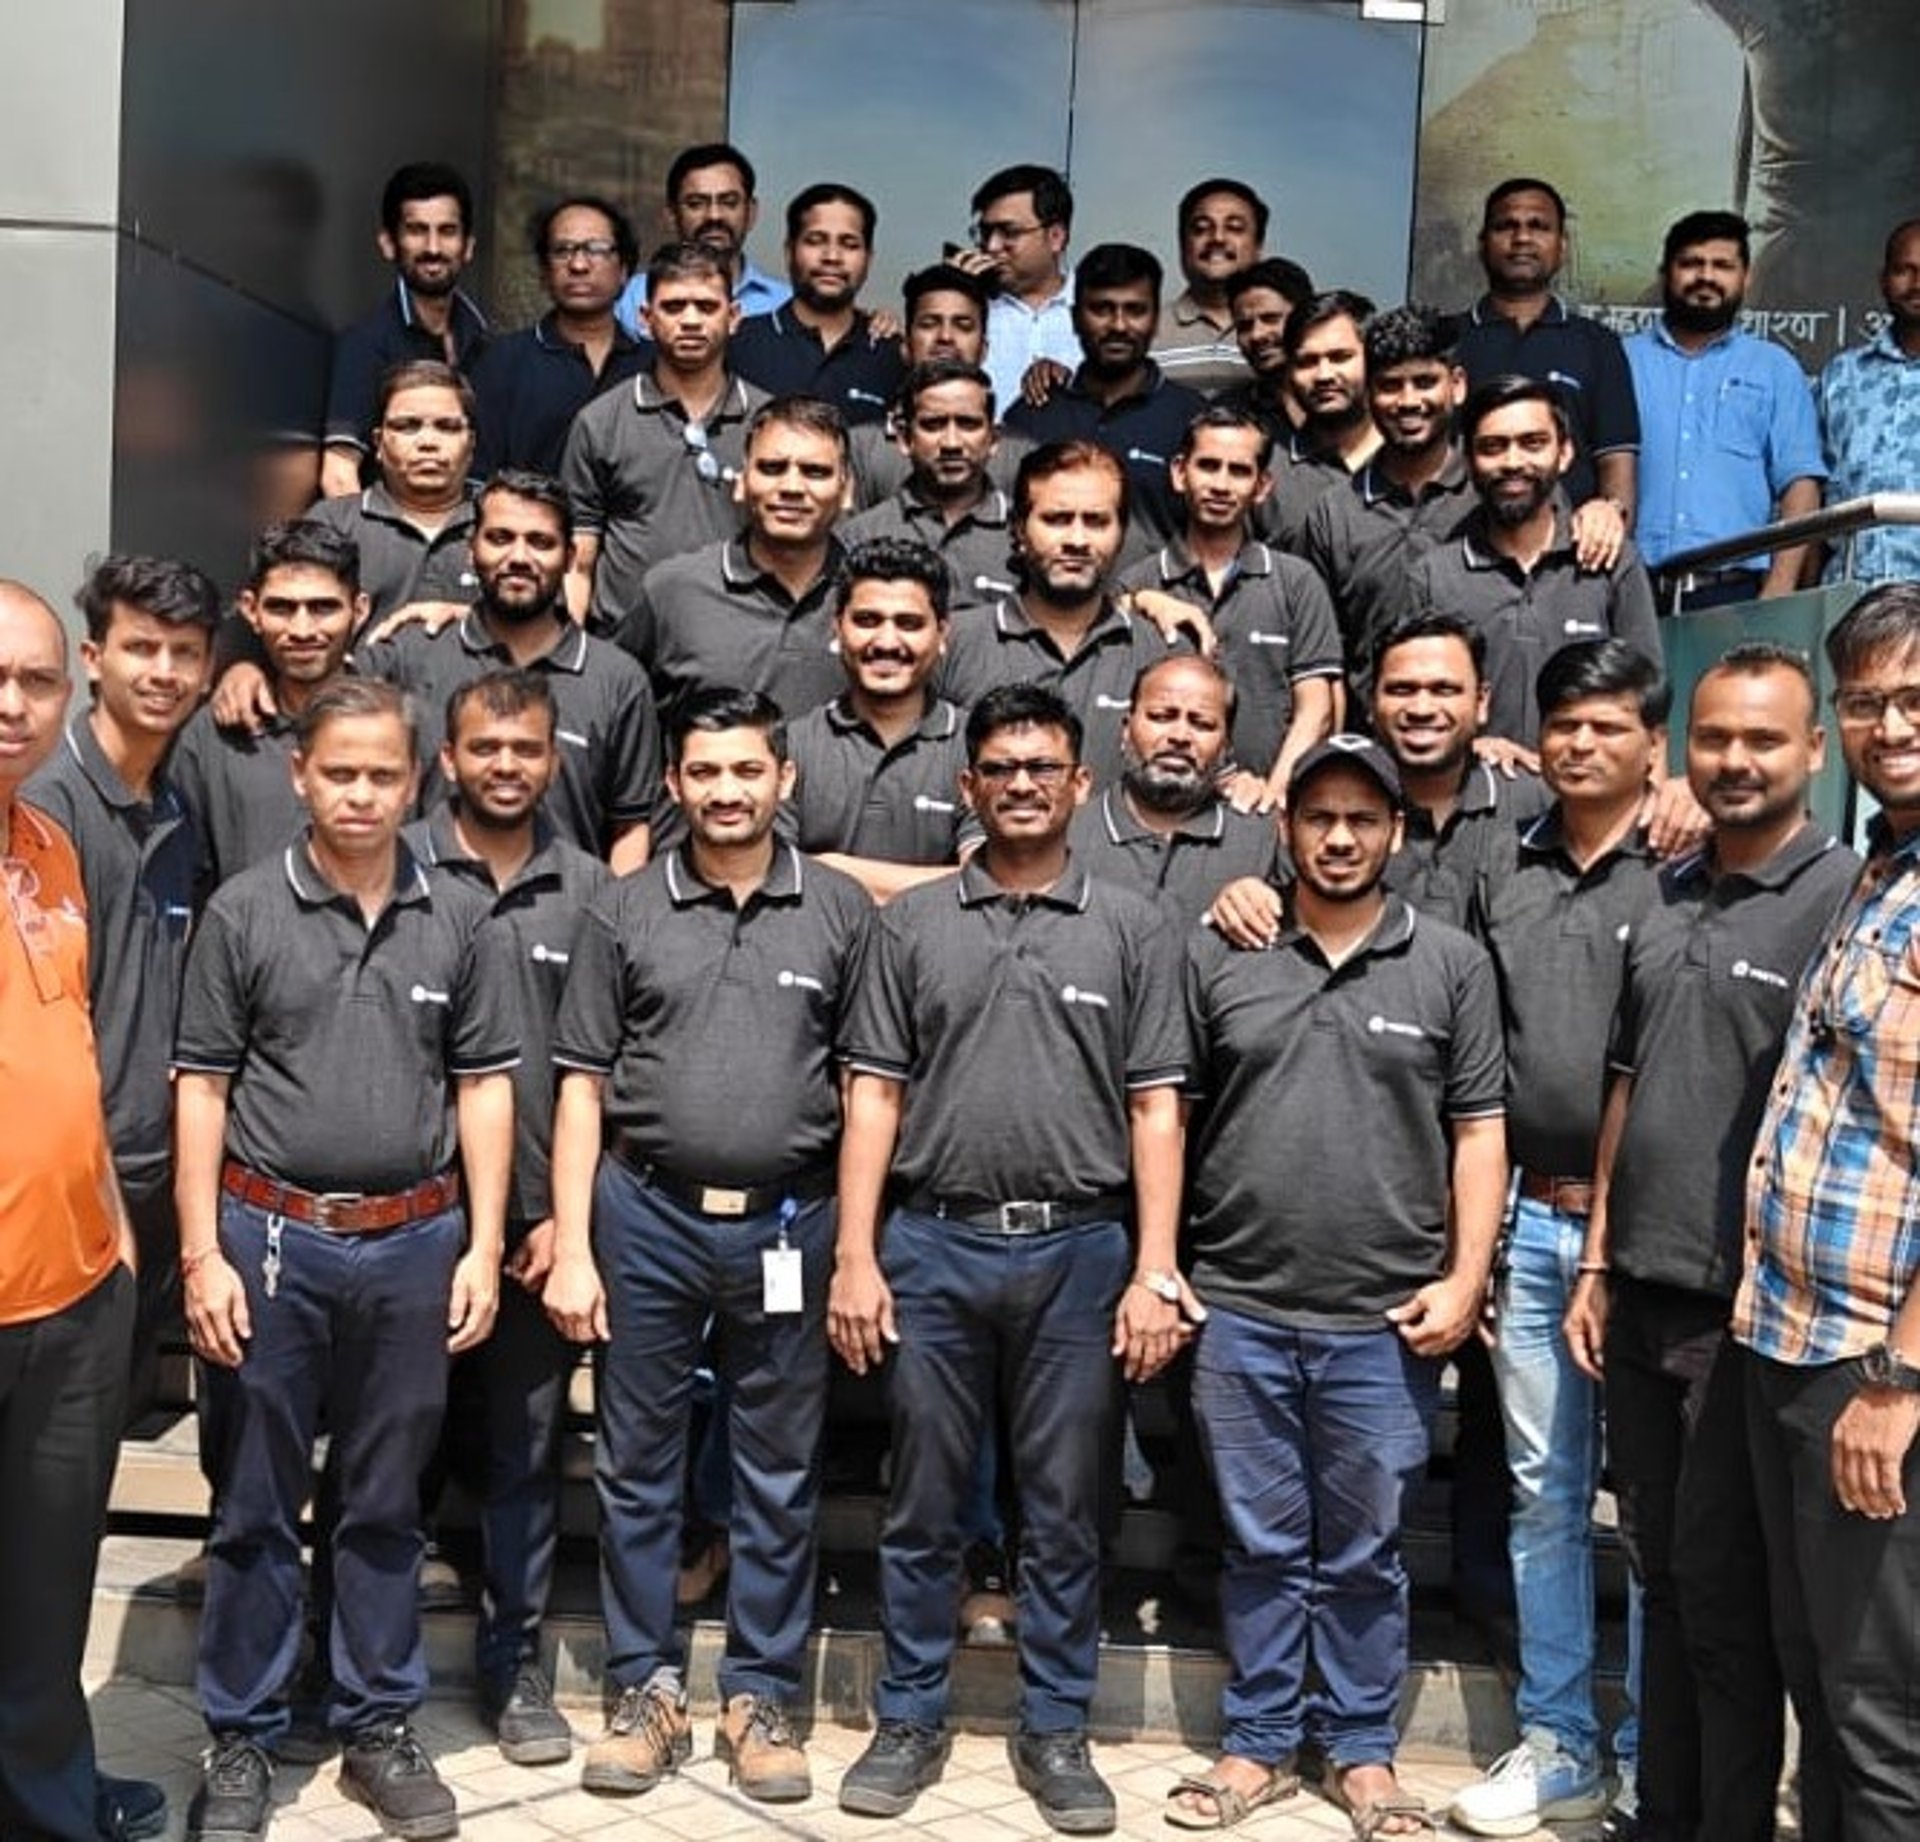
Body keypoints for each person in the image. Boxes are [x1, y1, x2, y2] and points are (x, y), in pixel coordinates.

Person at [830, 682, 1192, 1834]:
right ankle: (910, 1714)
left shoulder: (1133, 926)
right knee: (924, 1499)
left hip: (1082, 1251)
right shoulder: (915, 924)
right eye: (1002, 767)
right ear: (968, 785)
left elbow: (1158, 1109)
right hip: (932, 1242)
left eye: (1044, 766)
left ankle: (1056, 1725)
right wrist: (854, 1253)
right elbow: (872, 1094)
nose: (1023, 783)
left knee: (1065, 1505)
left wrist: (1156, 1268)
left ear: (1081, 783)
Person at [173, 677, 516, 1842]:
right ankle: (243, 1735)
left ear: (416, 782)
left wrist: (481, 1241)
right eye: (341, 772)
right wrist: (197, 1255)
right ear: (300, 777)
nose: (362, 793)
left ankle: (376, 1723)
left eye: (384, 774)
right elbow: (202, 1090)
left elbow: (484, 1087)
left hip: (413, 1243)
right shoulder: (242, 911)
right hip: (267, 1244)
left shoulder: (459, 915)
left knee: (380, 1504)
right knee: (255, 1503)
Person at [1173, 733, 1506, 1838]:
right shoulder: (1227, 950)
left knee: (1364, 1551)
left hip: (1385, 1320)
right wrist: (1165, 1266)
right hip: (1245, 1308)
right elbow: (1168, 1114)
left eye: (1366, 817)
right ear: (1286, 828)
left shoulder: (1449, 961)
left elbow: (1477, 1130)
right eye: (1320, 815)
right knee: (1263, 1544)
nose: (1342, 835)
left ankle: (1363, 1753)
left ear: (1398, 833)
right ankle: (1260, 1743)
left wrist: (1467, 1276)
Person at [543, 687, 872, 1806]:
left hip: (791, 1219)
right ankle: (643, 1691)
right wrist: (578, 1242)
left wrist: (859, 1247)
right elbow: (580, 1082)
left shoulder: (837, 911)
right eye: (704, 773)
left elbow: (867, 1085)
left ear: (786, 780)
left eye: (747, 771)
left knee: (777, 1474)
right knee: (638, 1469)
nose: (726, 791)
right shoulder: (624, 909)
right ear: (674, 783)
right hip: (646, 1216)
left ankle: (760, 1695)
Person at [1564, 644, 1856, 1842]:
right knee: (1667, 1588)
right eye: (1716, 738)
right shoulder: (1667, 887)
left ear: (1814, 751)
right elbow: (1625, 1083)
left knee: (1733, 1611)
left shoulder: (1843, 897)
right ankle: (1665, 1811)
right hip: (1641, 1292)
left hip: (1752, 1318)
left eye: (1763, 740)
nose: (1735, 761)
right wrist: (1595, 1257)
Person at [1447, 640, 1666, 1839]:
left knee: (1652, 1511)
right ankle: (1559, 1742)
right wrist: (1471, 1245)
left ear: (1652, 742)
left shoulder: (1687, 865)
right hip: (1527, 1220)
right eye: (1564, 727)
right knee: (1543, 1496)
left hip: (1648, 1241)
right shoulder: (1503, 866)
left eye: (1609, 726)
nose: (1582, 746)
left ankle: (1649, 1749)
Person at [1733, 581, 1920, 1842]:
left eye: (1915, 698)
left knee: (1882, 1718)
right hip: (1790, 1342)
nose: (1888, 725)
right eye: (1865, 702)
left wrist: (1901, 1380)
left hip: (1875, 1370)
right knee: (1822, 1684)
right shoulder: (1883, 870)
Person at [404, 670, 612, 1768]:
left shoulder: (590, 893)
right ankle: (358, 1663)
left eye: (526, 748)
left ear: (555, 759)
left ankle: (512, 1663)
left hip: (537, 1233)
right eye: (485, 747)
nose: (505, 764)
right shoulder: (388, 871)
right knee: (385, 1456)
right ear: (447, 758)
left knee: (525, 1456)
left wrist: (558, 1222)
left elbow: (602, 1073)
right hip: (403, 1225)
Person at [0, 581, 163, 1842]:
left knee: (48, 1592)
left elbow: (72, 1053)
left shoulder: (49, 852)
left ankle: (47, 1804)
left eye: (35, 682)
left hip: (72, 1295)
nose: (12, 705)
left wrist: (110, 1232)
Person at [25, 555, 218, 1420]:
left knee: (85, 1456)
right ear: (94, 659)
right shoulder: (43, 810)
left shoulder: (176, 809)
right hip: (56, 1190)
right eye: (143, 648)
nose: (164, 673)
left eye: (185, 652)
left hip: (149, 1178)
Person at [356, 468, 660, 872]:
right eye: (500, 538)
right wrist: (246, 671)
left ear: (570, 557)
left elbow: (629, 827)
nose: (519, 558)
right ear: (471, 548)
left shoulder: (617, 679)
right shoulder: (413, 656)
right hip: (424, 916)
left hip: (562, 920)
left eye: (540, 542)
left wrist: (609, 924)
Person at [1408, 375, 1660, 746]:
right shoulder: (1435, 576)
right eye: (1493, 447)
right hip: (1476, 790)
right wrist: (1469, 745)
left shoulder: (1610, 561)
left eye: (1533, 443)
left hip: (1589, 792)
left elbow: (1648, 701)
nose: (1513, 462)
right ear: (1469, 460)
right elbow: (1417, 703)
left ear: (1565, 453)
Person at [1118, 405, 1342, 796]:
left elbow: (1317, 709)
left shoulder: (1296, 582)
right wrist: (1137, 600)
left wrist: (1275, 801)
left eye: (1239, 471)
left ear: (1262, 486)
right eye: (1208, 466)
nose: (1221, 485)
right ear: (1178, 472)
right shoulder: (1137, 582)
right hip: (1158, 808)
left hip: (1265, 811)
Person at [939, 441, 1178, 789]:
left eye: (1096, 521)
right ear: (1019, 528)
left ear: (1122, 532)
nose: (1077, 540)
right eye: (1057, 519)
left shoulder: (1162, 653)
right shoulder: (955, 643)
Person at [562, 241, 770, 634]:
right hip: (621, 645)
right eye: (673, 307)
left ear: (735, 316)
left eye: (707, 307)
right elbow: (578, 561)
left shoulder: (769, 424)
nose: (690, 320)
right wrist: (575, 659)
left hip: (738, 641)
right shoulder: (600, 421)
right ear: (645, 318)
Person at [1625, 211, 1825, 608]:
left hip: (1736, 595)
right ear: (1666, 273)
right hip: (1632, 591)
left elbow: (1801, 486)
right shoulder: (1620, 361)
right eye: (1691, 264)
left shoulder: (1775, 368)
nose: (1706, 277)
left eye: (1722, 266)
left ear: (1746, 277)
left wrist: (1778, 593)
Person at [619, 396, 852, 731]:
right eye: (772, 468)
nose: (791, 487)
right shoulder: (672, 591)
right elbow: (615, 704)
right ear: (742, 482)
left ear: (845, 490)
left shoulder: (874, 596)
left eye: (815, 472)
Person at [172, 522, 367, 885]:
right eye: (282, 608)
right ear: (251, 609)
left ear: (359, 610)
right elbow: (184, 878)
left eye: (323, 608)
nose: (303, 630)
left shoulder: (397, 731)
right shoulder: (211, 737)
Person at [1300, 305, 1473, 705]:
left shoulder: (1493, 494)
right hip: (1367, 745)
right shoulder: (1334, 513)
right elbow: (1322, 659)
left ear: (1457, 385)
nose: (1408, 401)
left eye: (1425, 382)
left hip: (1481, 744)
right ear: (1369, 393)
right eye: (1391, 385)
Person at [785, 537, 972, 901]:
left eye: (909, 623)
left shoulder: (978, 749)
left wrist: (828, 866)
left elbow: (986, 883)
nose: (887, 641)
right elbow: (771, 876)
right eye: (867, 620)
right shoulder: (792, 746)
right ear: (837, 628)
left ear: (943, 634)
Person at [1003, 243, 1207, 564]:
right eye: (1101, 309)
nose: (1119, 326)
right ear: (1074, 318)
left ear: (1155, 320)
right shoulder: (1032, 412)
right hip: (1047, 601)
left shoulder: (1192, 417)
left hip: (1154, 607)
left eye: (1135, 310)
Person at [1454, 178, 1640, 520]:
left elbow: (1616, 465)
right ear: (1482, 244)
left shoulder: (1597, 344)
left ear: (1562, 246)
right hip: (1461, 551)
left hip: (1568, 558)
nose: (1522, 238)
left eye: (1538, 226)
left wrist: (1612, 537)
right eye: (1506, 226)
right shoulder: (1449, 340)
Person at [1066, 653, 1280, 920]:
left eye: (1202, 724)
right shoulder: (1066, 836)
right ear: (1125, 729)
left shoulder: (1263, 837)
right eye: (1161, 717)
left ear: (1226, 747)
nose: (1179, 736)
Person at [321, 163, 486, 500]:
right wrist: (369, 551)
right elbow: (338, 473)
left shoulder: (486, 343)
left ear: (468, 246)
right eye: (416, 230)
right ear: (388, 244)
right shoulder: (366, 344)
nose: (433, 247)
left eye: (448, 230)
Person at [468, 195, 650, 477]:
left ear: (624, 270)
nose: (578, 265)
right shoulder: (502, 362)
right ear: (544, 272)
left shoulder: (655, 363)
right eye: (563, 250)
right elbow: (479, 474)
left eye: (597, 249)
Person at [308, 362, 481, 628]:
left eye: (446, 427)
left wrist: (471, 618)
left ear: (470, 444)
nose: (428, 443)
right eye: (407, 426)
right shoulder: (334, 523)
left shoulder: (506, 521)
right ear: (378, 443)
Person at [839, 359, 1017, 606]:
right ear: (904, 438)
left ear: (994, 439)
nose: (951, 443)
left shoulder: (1025, 535)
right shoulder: (859, 537)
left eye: (968, 424)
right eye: (933, 425)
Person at [728, 184, 905, 428]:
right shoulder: (739, 342)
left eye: (849, 244)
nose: (832, 256)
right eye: (815, 240)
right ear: (789, 251)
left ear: (868, 258)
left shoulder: (893, 356)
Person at [1815, 218, 1920, 584]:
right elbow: (1812, 497)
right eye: (1904, 270)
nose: (1917, 284)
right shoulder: (1842, 376)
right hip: (1849, 592)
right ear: (1883, 280)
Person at [1244, 288, 1381, 552]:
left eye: (1340, 357)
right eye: (1307, 361)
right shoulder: (1265, 473)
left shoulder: (1411, 460)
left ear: (1373, 359)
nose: (1324, 375)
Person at [611, 142, 791, 337]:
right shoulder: (633, 297)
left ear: (751, 213)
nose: (714, 215)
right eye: (696, 204)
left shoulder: (784, 304)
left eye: (729, 202)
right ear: (672, 215)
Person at [962, 163, 1079, 412]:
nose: (992, 246)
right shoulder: (969, 314)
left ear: (1056, 237)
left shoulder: (1100, 313)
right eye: (985, 232)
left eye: (1009, 232)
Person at [1150, 179, 1269, 395]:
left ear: (1258, 246)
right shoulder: (1146, 332)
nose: (1217, 238)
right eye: (1201, 228)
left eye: (1234, 228)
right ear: (1182, 243)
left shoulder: (1281, 333)